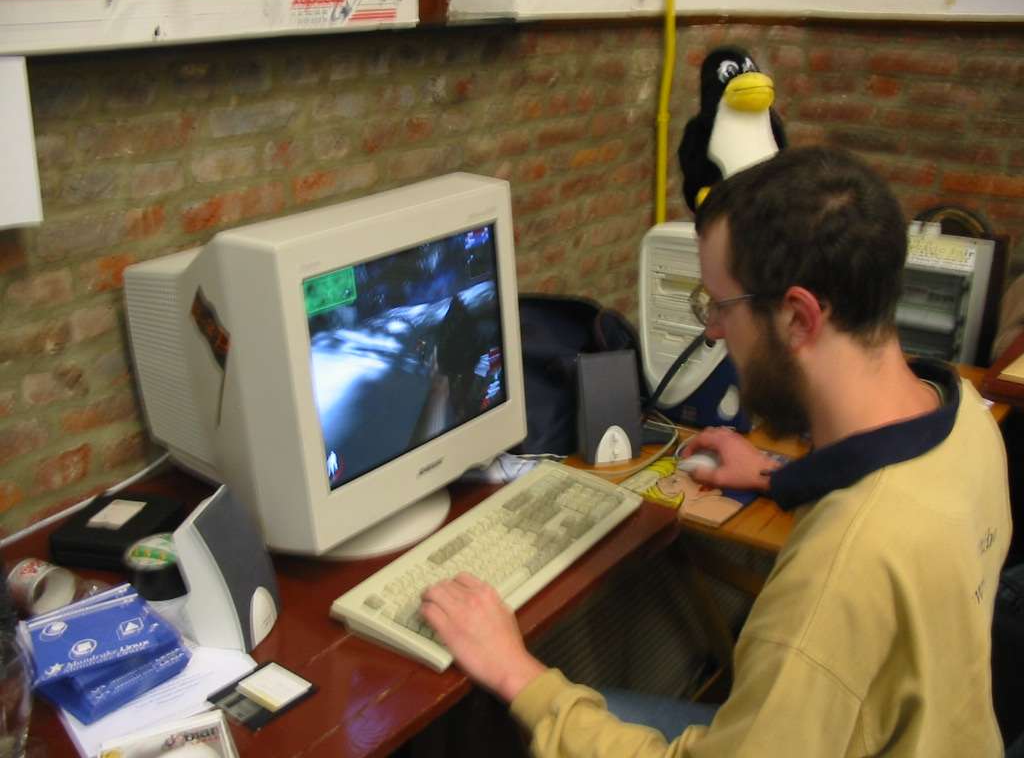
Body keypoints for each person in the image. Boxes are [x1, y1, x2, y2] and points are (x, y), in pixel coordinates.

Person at [419, 146, 1012, 757]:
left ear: (799, 317)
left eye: (721, 306)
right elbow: (879, 488)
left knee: (510, 718)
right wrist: (776, 475)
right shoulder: (966, 415)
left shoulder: (839, 578)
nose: (712, 331)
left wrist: (516, 672)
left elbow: (853, 567)